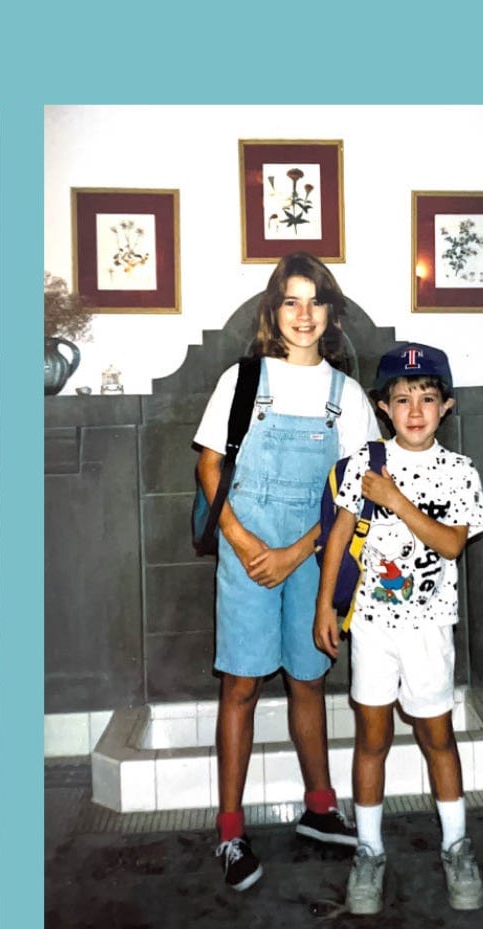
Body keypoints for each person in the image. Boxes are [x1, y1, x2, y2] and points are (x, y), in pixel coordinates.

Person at [194, 252, 380, 891]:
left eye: (315, 302)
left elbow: (353, 495)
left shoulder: (347, 396)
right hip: (244, 548)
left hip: (313, 555)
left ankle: (320, 809)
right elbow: (209, 468)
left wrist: (298, 554)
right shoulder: (241, 381)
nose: (303, 315)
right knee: (241, 686)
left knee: (308, 680)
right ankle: (229, 832)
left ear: (330, 314)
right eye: (291, 301)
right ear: (274, 311)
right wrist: (246, 544)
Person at [313, 343, 483, 914]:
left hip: (429, 630)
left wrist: (395, 499)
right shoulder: (366, 464)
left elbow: (452, 542)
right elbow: (339, 537)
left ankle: (457, 846)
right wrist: (324, 607)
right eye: (403, 399)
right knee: (372, 739)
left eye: (428, 399)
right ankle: (368, 852)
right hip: (371, 627)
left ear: (447, 406)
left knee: (438, 737)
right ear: (384, 407)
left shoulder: (460, 472)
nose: (415, 410)